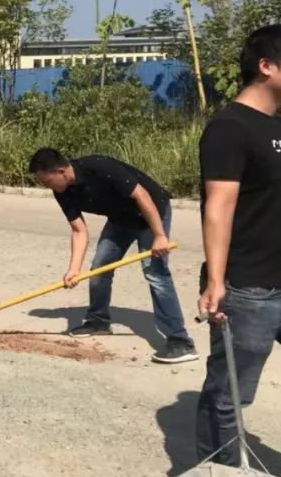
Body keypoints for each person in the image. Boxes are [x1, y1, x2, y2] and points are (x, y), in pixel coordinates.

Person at [197, 25, 281, 465]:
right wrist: (216, 281)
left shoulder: (276, 125)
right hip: (249, 287)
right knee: (229, 395)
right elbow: (219, 206)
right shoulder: (230, 127)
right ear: (266, 66)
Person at [28, 147, 197, 364]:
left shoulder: (99, 167)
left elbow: (142, 196)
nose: (47, 187)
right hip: (121, 219)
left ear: (61, 171)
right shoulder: (62, 192)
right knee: (99, 268)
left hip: (151, 212)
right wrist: (73, 270)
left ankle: (180, 341)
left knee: (155, 274)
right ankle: (98, 321)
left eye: (47, 182)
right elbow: (79, 231)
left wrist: (159, 236)